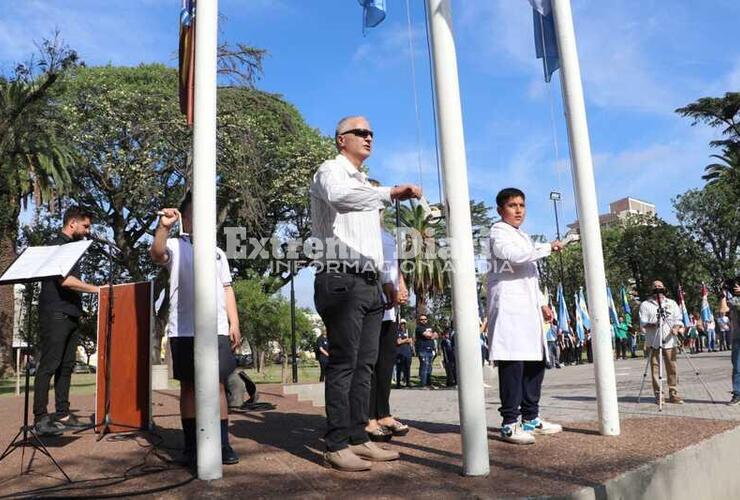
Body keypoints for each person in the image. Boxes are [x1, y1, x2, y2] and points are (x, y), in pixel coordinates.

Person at [309, 115, 421, 471]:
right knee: (343, 363)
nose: (369, 136)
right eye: (361, 132)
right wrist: (388, 192)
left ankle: (359, 437)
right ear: (341, 139)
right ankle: (336, 443)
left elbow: (369, 241)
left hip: (370, 283)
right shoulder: (331, 170)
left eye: (372, 131)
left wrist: (387, 280)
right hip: (340, 277)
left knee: (366, 366)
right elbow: (339, 198)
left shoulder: (364, 185)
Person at [151, 193, 241, 466]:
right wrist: (163, 228)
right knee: (189, 387)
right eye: (195, 213)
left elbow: (227, 288)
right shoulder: (176, 246)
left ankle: (222, 444)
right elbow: (157, 254)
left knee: (218, 385)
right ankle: (191, 446)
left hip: (217, 328)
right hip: (184, 329)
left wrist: (234, 322)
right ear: (185, 218)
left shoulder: (218, 252)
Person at [486, 188, 563, 445]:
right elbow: (514, 257)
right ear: (500, 210)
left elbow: (531, 275)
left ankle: (531, 417)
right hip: (509, 306)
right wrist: (547, 247)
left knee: (535, 362)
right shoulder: (498, 232)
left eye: (521, 205)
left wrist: (542, 303)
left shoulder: (524, 236)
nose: (518, 210)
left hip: (529, 307)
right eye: (512, 205)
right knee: (513, 362)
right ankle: (509, 423)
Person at [33, 206, 100, 436]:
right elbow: (65, 281)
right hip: (55, 313)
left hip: (71, 313)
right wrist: (98, 290)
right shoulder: (57, 245)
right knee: (49, 365)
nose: (88, 230)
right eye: (85, 226)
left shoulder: (72, 247)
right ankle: (40, 418)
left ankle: (62, 413)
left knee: (67, 366)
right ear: (72, 223)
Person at [638, 280, 685, 405]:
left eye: (660, 286)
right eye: (655, 287)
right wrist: (653, 324)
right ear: (651, 289)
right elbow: (643, 323)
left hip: (669, 341)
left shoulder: (672, 303)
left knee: (672, 367)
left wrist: (676, 328)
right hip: (653, 342)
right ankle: (659, 394)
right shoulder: (646, 305)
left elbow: (678, 319)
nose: (658, 288)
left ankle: (673, 393)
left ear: (664, 288)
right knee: (655, 369)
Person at [719, 278, 740, 406]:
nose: (736, 287)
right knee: (737, 368)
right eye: (735, 285)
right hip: (738, 338)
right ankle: (737, 394)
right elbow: (723, 310)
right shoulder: (734, 300)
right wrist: (722, 295)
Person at [415, 314, 437, 387]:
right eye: (422, 319)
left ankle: (429, 383)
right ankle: (423, 384)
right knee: (424, 367)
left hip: (430, 350)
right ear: (419, 320)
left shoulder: (430, 327)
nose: (424, 320)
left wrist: (431, 335)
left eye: (425, 319)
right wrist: (431, 335)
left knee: (429, 367)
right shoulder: (419, 328)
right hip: (422, 350)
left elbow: (436, 335)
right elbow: (428, 335)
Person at [395, 319, 413, 388]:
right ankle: (398, 384)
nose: (403, 325)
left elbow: (411, 340)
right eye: (401, 324)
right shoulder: (397, 332)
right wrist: (406, 340)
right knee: (399, 369)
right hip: (399, 352)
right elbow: (398, 342)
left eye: (404, 324)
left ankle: (408, 382)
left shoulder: (407, 331)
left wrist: (405, 340)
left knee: (407, 368)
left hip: (407, 352)